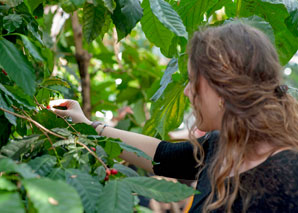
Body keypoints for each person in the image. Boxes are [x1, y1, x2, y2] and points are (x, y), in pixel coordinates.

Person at [49, 22, 298, 213]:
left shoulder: (288, 178)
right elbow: (162, 156)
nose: (188, 92)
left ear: (222, 88)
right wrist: (86, 125)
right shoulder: (224, 144)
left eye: (193, 81)